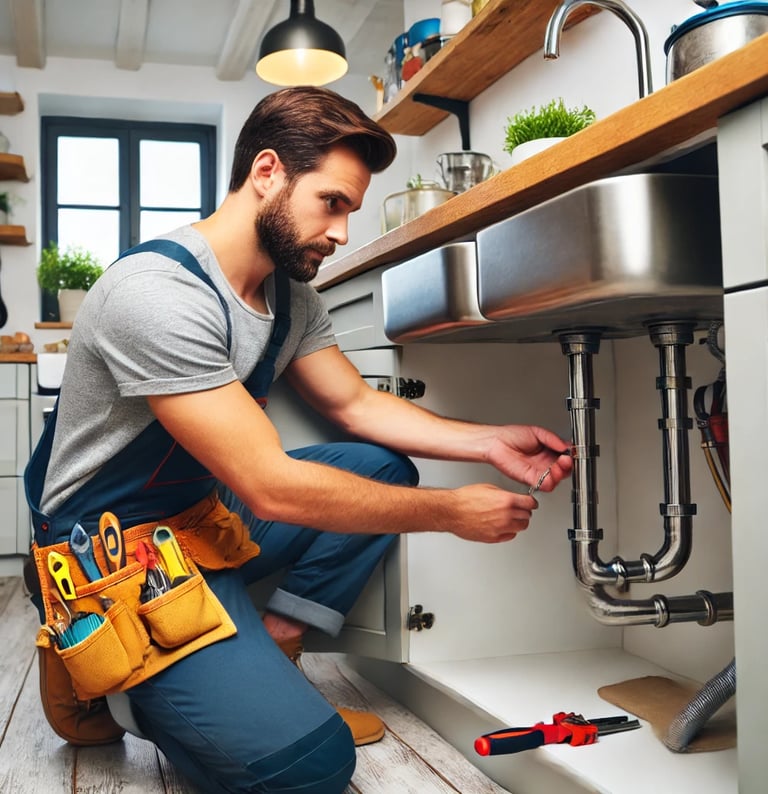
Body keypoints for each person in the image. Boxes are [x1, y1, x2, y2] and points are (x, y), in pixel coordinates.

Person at [26, 86, 572, 793]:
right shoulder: (157, 293)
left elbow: (355, 405)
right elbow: (271, 485)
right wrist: (451, 512)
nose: (342, 232)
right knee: (308, 769)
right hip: (106, 551)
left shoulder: (291, 295)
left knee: (380, 467)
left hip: (198, 518)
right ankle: (98, 671)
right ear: (267, 174)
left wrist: (488, 441)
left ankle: (273, 654)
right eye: (333, 202)